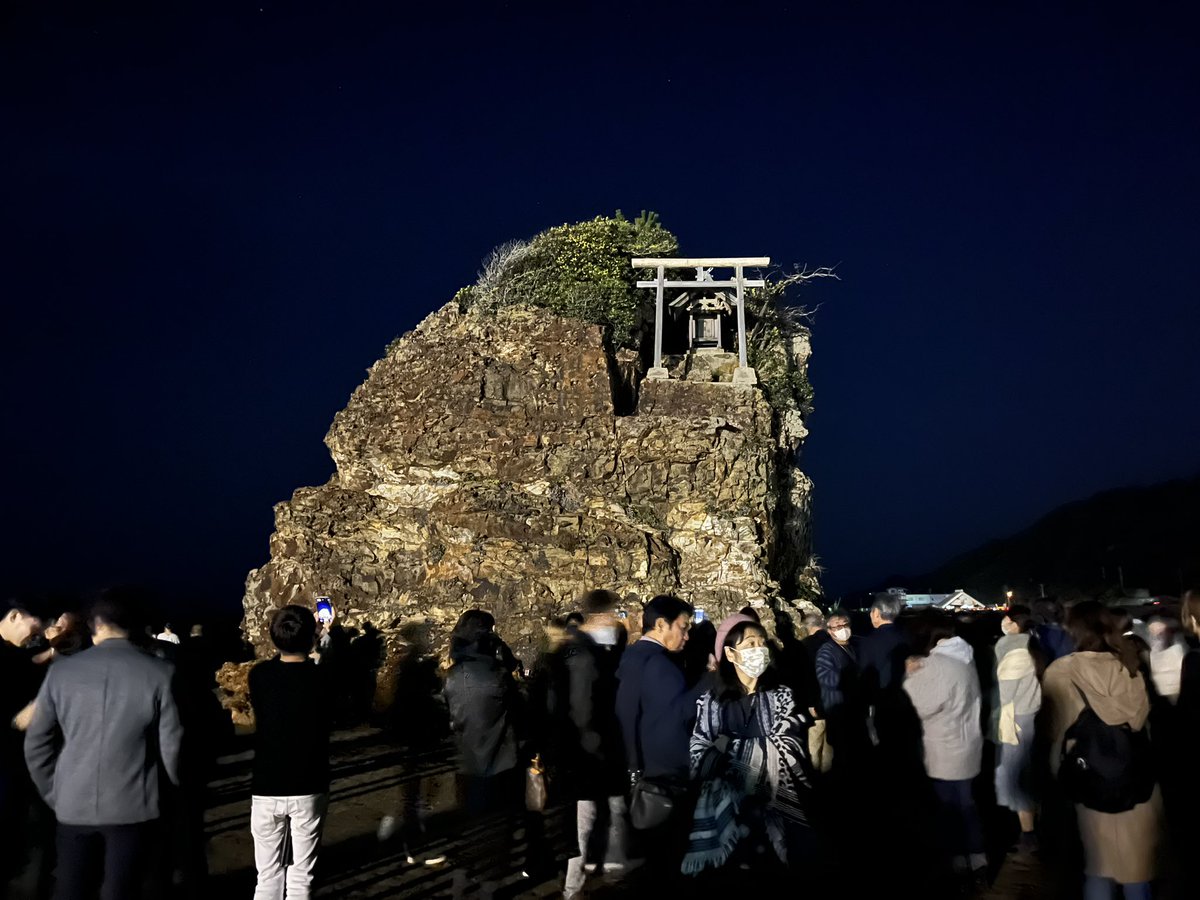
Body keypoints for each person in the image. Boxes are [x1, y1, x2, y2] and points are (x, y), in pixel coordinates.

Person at [24, 589, 182, 900]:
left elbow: (36, 742)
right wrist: (168, 792)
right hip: (134, 803)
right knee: (122, 889)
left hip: (71, 802)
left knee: (70, 886)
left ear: (95, 624)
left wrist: (53, 791)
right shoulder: (161, 672)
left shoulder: (61, 671)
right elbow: (171, 745)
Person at [1042, 601, 1161, 900]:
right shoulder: (1129, 665)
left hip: (1089, 779)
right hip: (1136, 780)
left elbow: (1052, 730)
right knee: (1136, 873)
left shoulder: (1063, 671)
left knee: (1098, 869)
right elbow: (1140, 721)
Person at [683, 615, 814, 880]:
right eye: (749, 644)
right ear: (730, 654)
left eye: (761, 642)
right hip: (729, 811)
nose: (758, 650)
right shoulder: (713, 701)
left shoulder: (782, 696)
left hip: (777, 806)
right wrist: (761, 751)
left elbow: (790, 746)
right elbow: (699, 751)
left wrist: (729, 748)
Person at [615, 595, 707, 884]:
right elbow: (680, 713)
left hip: (641, 765)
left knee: (652, 856)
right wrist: (711, 678)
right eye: (683, 627)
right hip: (665, 771)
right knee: (671, 855)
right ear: (661, 624)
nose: (687, 635)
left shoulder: (632, 656)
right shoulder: (660, 663)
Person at [248, 605, 333, 900]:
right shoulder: (322, 678)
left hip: (266, 783)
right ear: (311, 637)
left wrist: (310, 641)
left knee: (267, 875)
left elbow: (280, 674)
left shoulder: (259, 676)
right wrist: (322, 642)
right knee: (300, 877)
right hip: (309, 783)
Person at [443, 609, 525, 900]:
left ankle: (459, 885)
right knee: (496, 831)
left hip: (465, 761)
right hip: (499, 762)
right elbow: (519, 712)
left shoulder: (452, 676)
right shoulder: (498, 676)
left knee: (468, 825)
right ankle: (488, 888)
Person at [903, 612, 986, 890]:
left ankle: (959, 867)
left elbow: (919, 705)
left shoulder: (936, 664)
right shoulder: (967, 657)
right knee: (968, 805)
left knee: (949, 810)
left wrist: (909, 676)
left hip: (944, 748)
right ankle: (979, 863)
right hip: (969, 743)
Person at [562, 590, 631, 899]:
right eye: (613, 613)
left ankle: (607, 866)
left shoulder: (603, 650)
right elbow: (580, 708)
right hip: (591, 751)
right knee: (586, 817)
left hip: (603, 747)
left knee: (608, 810)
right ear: (601, 615)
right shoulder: (582, 654)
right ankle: (573, 885)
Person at [377, 620, 449, 866]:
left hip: (410, 733)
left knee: (413, 788)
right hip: (419, 733)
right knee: (419, 790)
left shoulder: (404, 665)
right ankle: (413, 843)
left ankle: (397, 830)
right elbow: (422, 695)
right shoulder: (416, 666)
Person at [1, 601, 45, 892]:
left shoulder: (16, 657)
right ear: (15, 615)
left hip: (20, 767)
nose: (36, 635)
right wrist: (17, 721)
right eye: (35, 625)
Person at [992, 604, 1042, 853]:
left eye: (1006, 619)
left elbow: (1005, 693)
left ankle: (1028, 834)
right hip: (1030, 714)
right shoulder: (1033, 643)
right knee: (1024, 771)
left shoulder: (1013, 648)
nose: (1002, 622)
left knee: (1015, 774)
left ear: (1013, 623)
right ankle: (1030, 826)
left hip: (1016, 719)